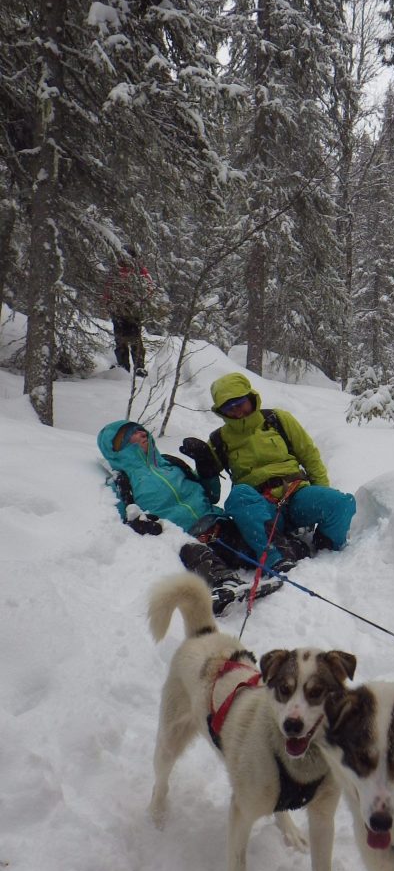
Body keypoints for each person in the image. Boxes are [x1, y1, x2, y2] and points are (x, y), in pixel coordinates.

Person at [179, 371, 356, 575]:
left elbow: (309, 456)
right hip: (262, 508)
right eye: (229, 407)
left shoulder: (277, 419)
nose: (237, 411)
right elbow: (211, 492)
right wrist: (203, 462)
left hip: (297, 494)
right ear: (221, 411)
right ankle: (277, 557)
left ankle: (326, 548)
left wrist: (321, 494)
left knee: (341, 503)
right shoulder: (220, 440)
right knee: (239, 495)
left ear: (251, 397)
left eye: (240, 402)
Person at [97, 419, 271, 614]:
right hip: (184, 538)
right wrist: (140, 525)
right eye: (132, 434)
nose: (142, 433)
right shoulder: (122, 481)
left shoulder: (171, 463)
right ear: (118, 447)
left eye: (140, 430)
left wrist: (206, 467)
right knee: (195, 553)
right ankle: (225, 583)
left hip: (215, 524)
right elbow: (124, 518)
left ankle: (278, 557)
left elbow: (211, 494)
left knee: (250, 544)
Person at [104, 247, 154, 377]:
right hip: (129, 310)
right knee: (132, 340)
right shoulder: (138, 270)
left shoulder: (122, 270)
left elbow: (108, 289)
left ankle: (126, 368)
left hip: (123, 310)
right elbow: (149, 288)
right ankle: (135, 368)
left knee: (125, 340)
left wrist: (107, 302)